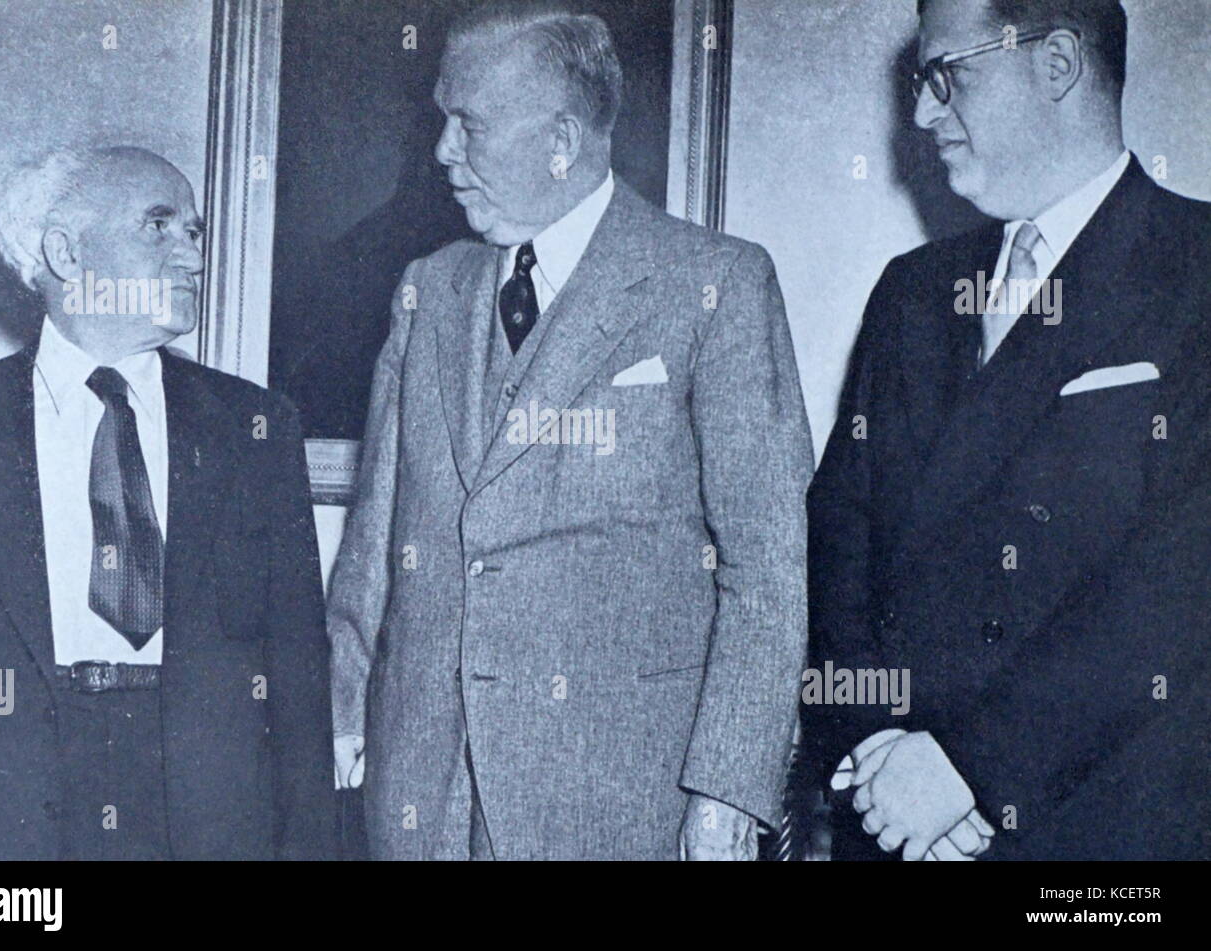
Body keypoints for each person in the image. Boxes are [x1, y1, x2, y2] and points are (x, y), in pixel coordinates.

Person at [327, 2, 812, 860]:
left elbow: (768, 568)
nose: (442, 150)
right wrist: (339, 706)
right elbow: (377, 534)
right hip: (424, 791)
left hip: (622, 797)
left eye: (467, 124)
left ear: (561, 139)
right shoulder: (427, 289)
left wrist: (728, 788)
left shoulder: (714, 285)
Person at [806, 0, 1211, 860]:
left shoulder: (1197, 269)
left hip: (1099, 846)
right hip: (892, 823)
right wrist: (880, 751)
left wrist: (971, 767)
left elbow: (1178, 580)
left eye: (945, 74)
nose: (921, 112)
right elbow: (835, 543)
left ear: (1056, 64)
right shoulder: (911, 291)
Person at [0, 146, 338, 860]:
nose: (194, 256)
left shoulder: (258, 429)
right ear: (65, 251)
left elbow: (297, 682)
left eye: (196, 232)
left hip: (206, 818)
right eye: (159, 225)